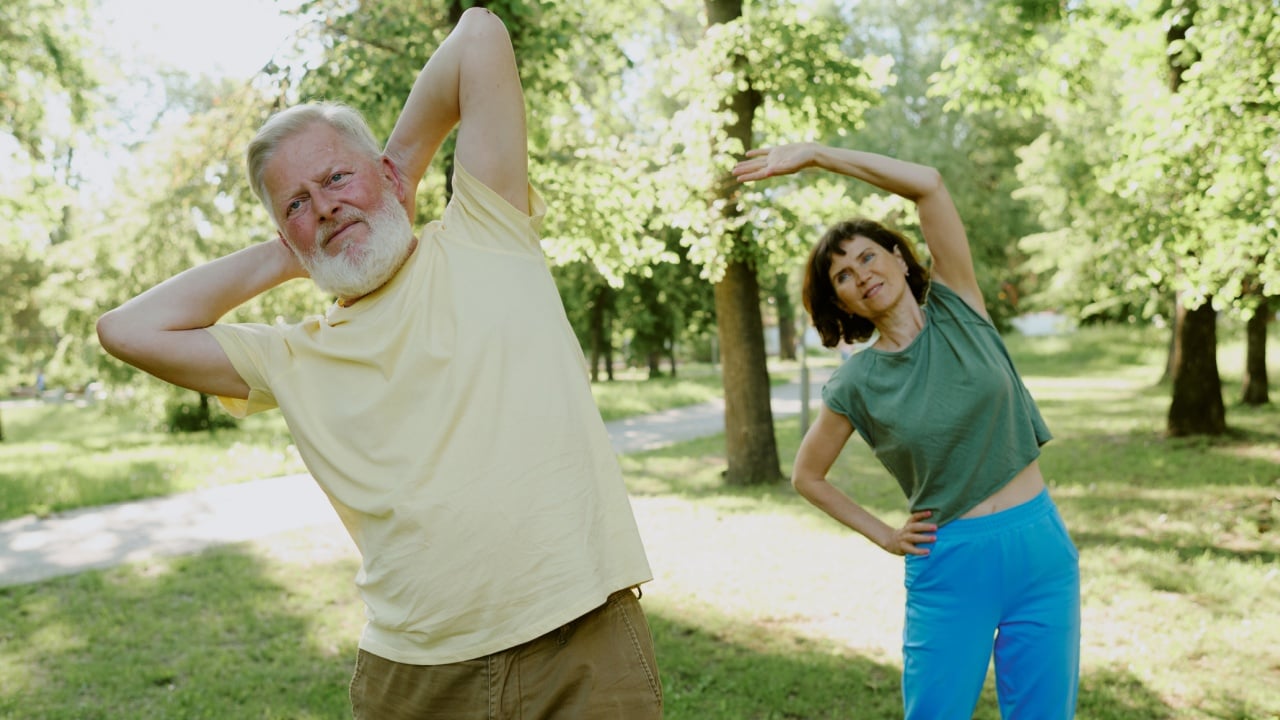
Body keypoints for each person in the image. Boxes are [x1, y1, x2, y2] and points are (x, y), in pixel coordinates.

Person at [97, 9, 661, 719]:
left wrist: (395, 176)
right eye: (298, 203)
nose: (326, 207)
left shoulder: (487, 232)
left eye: (337, 176)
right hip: (415, 679)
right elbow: (125, 329)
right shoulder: (295, 354)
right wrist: (293, 248)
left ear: (392, 174)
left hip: (580, 645)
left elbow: (480, 34)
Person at [733, 143, 1079, 719]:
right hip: (951, 563)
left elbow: (930, 183)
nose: (860, 275)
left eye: (868, 257)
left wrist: (817, 156)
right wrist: (884, 535)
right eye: (842, 275)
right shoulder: (857, 383)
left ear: (898, 257)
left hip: (1039, 546)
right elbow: (806, 476)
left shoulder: (960, 305)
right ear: (839, 300)